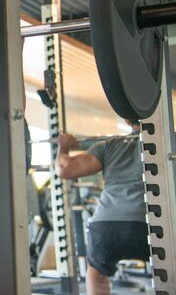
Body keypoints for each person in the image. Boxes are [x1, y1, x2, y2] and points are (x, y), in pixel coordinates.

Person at [56, 120, 150, 295]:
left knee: (96, 271)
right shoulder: (168, 142)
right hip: (149, 224)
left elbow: (64, 169)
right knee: (169, 267)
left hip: (107, 226)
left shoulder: (110, 145)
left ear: (127, 120)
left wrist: (64, 147)